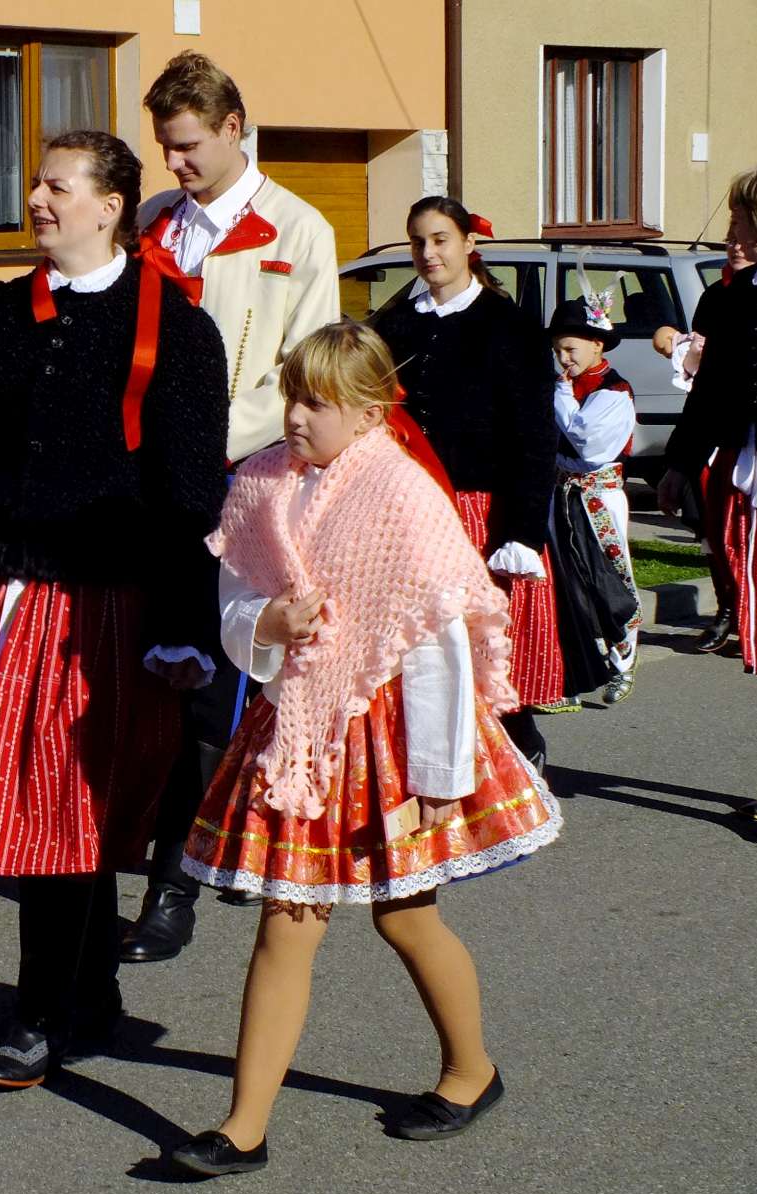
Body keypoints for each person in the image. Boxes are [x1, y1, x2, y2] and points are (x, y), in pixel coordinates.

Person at [0, 130, 228, 1088]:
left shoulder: (176, 326)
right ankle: (85, 996)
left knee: (61, 814)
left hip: (102, 608)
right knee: (43, 815)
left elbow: (190, 492)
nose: (36, 199)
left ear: (111, 206)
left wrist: (183, 624)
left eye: (57, 186)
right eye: (34, 183)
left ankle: (41, 1013)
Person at [166, 321, 562, 1178]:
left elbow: (438, 645)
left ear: (370, 410)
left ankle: (471, 1070)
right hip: (299, 728)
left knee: (405, 915)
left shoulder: (401, 492)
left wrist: (438, 777)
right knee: (286, 920)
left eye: (318, 403)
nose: (296, 417)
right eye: (292, 397)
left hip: (388, 733)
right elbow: (234, 600)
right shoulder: (260, 483)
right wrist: (265, 625)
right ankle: (243, 1128)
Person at [121, 50, 343, 959]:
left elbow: (307, 366)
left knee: (216, 684)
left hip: (237, 475)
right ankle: (150, 847)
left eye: (187, 146)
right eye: (166, 148)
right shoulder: (152, 221)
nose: (174, 163)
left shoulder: (300, 227)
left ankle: (176, 884)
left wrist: (202, 435)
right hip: (142, 478)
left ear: (232, 128)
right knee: (142, 674)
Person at [373, 197, 563, 769]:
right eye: (418, 242)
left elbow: (535, 436)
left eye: (440, 240)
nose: (428, 253)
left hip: (479, 509)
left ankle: (519, 753)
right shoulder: (395, 323)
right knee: (423, 648)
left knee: (484, 644)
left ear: (468, 244)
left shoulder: (509, 326)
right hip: (408, 506)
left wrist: (522, 530)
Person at [660, 165, 757, 818]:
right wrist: (678, 463)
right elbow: (709, 394)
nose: (734, 233)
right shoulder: (728, 301)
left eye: (744, 220)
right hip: (747, 474)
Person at [654, 231, 757, 653]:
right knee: (717, 533)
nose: (736, 245)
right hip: (722, 439)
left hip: (751, 444)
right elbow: (706, 385)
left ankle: (750, 616)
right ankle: (730, 609)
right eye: (730, 236)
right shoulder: (718, 298)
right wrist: (679, 463)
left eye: (745, 233)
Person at [547, 295, 640, 706]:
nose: (563, 359)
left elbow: (587, 441)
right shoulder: (563, 386)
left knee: (611, 578)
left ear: (596, 345)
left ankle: (623, 662)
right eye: (558, 351)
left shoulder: (614, 391)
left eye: (570, 349)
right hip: (562, 492)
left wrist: (562, 395)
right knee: (568, 580)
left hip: (598, 497)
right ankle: (580, 668)